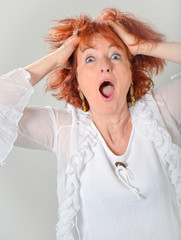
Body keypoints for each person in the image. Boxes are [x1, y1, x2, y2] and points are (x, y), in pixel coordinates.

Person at [0, 7, 181, 240]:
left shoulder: (161, 110)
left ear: (131, 72)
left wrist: (143, 46)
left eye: (115, 55)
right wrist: (56, 59)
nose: (104, 65)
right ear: (77, 83)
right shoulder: (64, 129)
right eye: (90, 59)